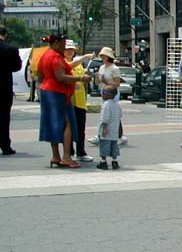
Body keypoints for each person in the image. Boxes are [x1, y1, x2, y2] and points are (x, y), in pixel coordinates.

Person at [38, 33, 91, 168]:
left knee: (52, 123)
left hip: (46, 90)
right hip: (58, 92)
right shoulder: (56, 57)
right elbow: (61, 77)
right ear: (56, 43)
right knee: (67, 123)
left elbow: (40, 76)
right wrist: (80, 78)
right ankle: (66, 156)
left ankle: (56, 155)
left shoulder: (44, 55)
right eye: (62, 45)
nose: (64, 48)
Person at [88, 47, 127, 146]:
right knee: (105, 113)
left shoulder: (114, 68)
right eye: (101, 56)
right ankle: (101, 135)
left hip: (112, 93)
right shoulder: (102, 67)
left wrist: (106, 81)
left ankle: (114, 135)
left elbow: (117, 83)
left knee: (111, 113)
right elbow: (97, 83)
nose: (102, 58)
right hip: (103, 92)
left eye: (104, 56)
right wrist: (97, 77)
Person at [64, 40, 95, 162]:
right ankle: (69, 151)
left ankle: (80, 152)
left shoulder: (79, 65)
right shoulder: (63, 62)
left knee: (80, 128)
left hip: (80, 100)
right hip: (69, 100)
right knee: (68, 127)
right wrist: (85, 57)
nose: (69, 52)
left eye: (71, 50)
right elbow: (67, 70)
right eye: (67, 50)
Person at [0, 25, 22, 155]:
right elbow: (17, 66)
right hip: (4, 87)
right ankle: (5, 145)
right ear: (5, 34)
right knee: (4, 116)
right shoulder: (11, 49)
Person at [96, 85, 122, 170]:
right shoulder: (117, 105)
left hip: (106, 130)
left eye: (103, 93)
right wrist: (120, 129)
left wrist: (104, 128)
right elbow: (119, 117)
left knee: (104, 146)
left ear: (107, 95)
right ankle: (114, 161)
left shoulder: (106, 105)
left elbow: (105, 117)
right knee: (114, 146)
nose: (102, 94)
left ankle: (103, 162)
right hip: (115, 130)